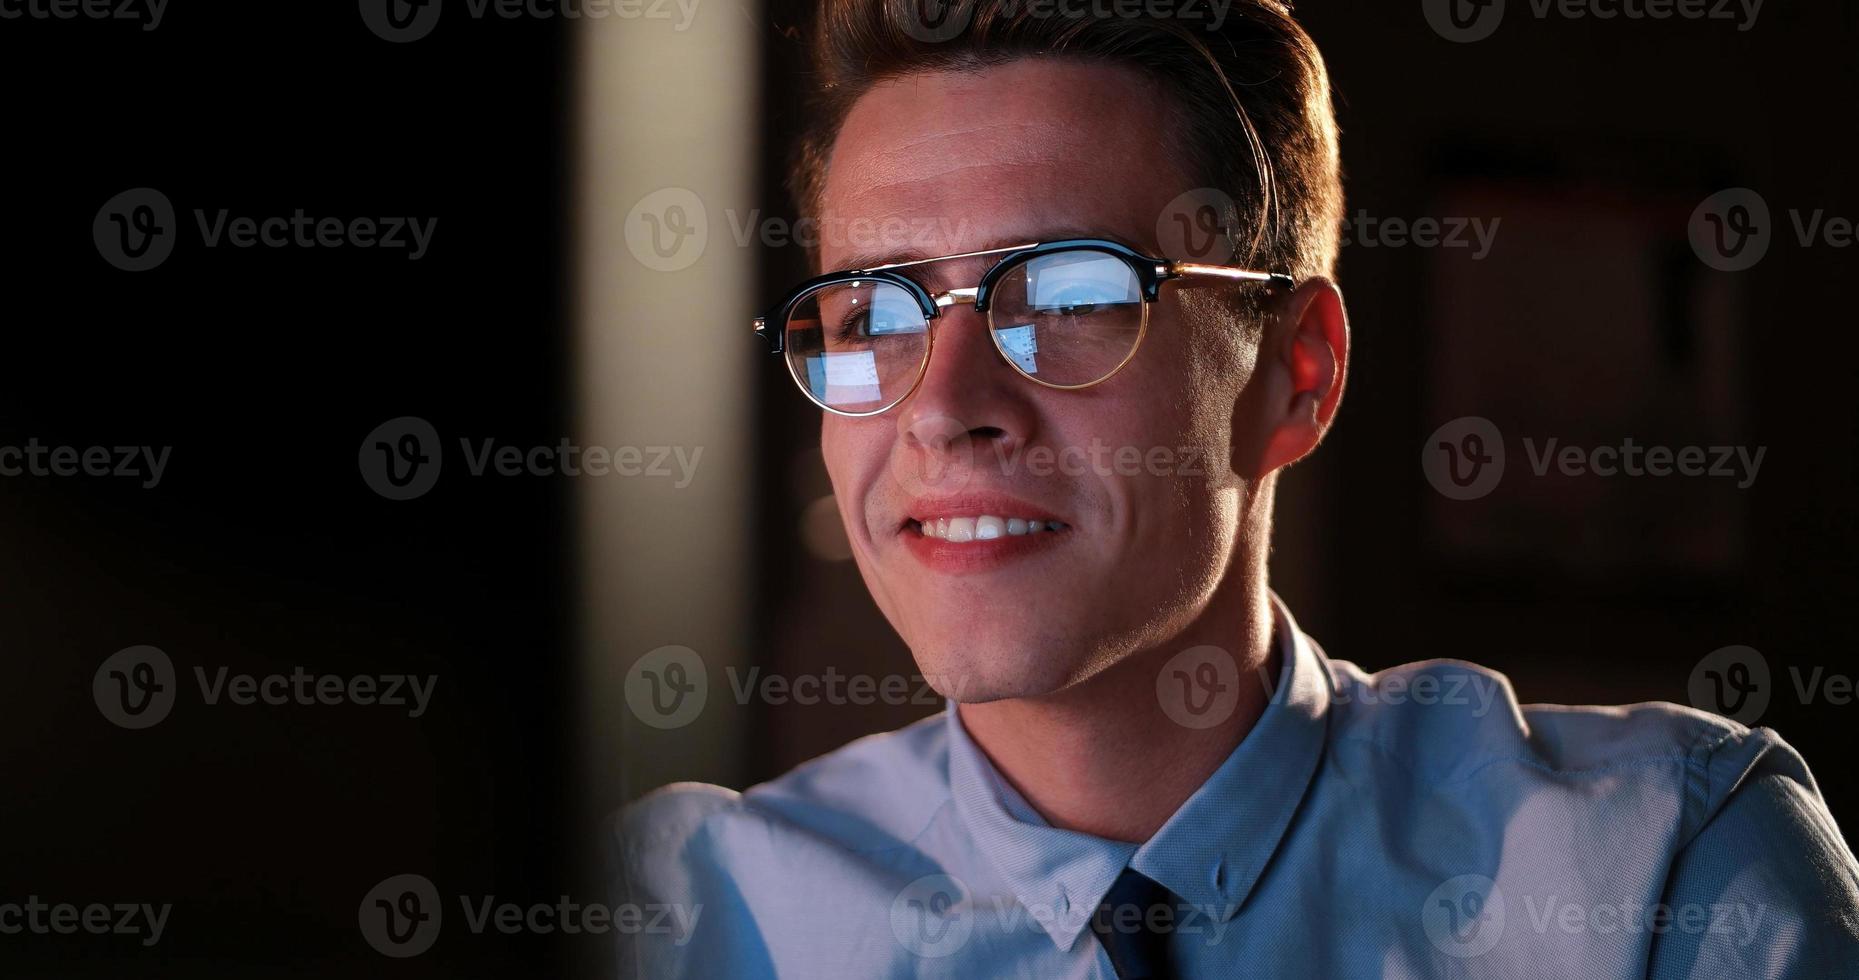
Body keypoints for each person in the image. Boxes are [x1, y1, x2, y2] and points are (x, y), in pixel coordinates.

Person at [612, 1, 1859, 975]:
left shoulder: (1661, 879)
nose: (940, 408)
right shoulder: (676, 915)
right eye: (871, 312)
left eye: (1066, 296)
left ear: (1296, 374)